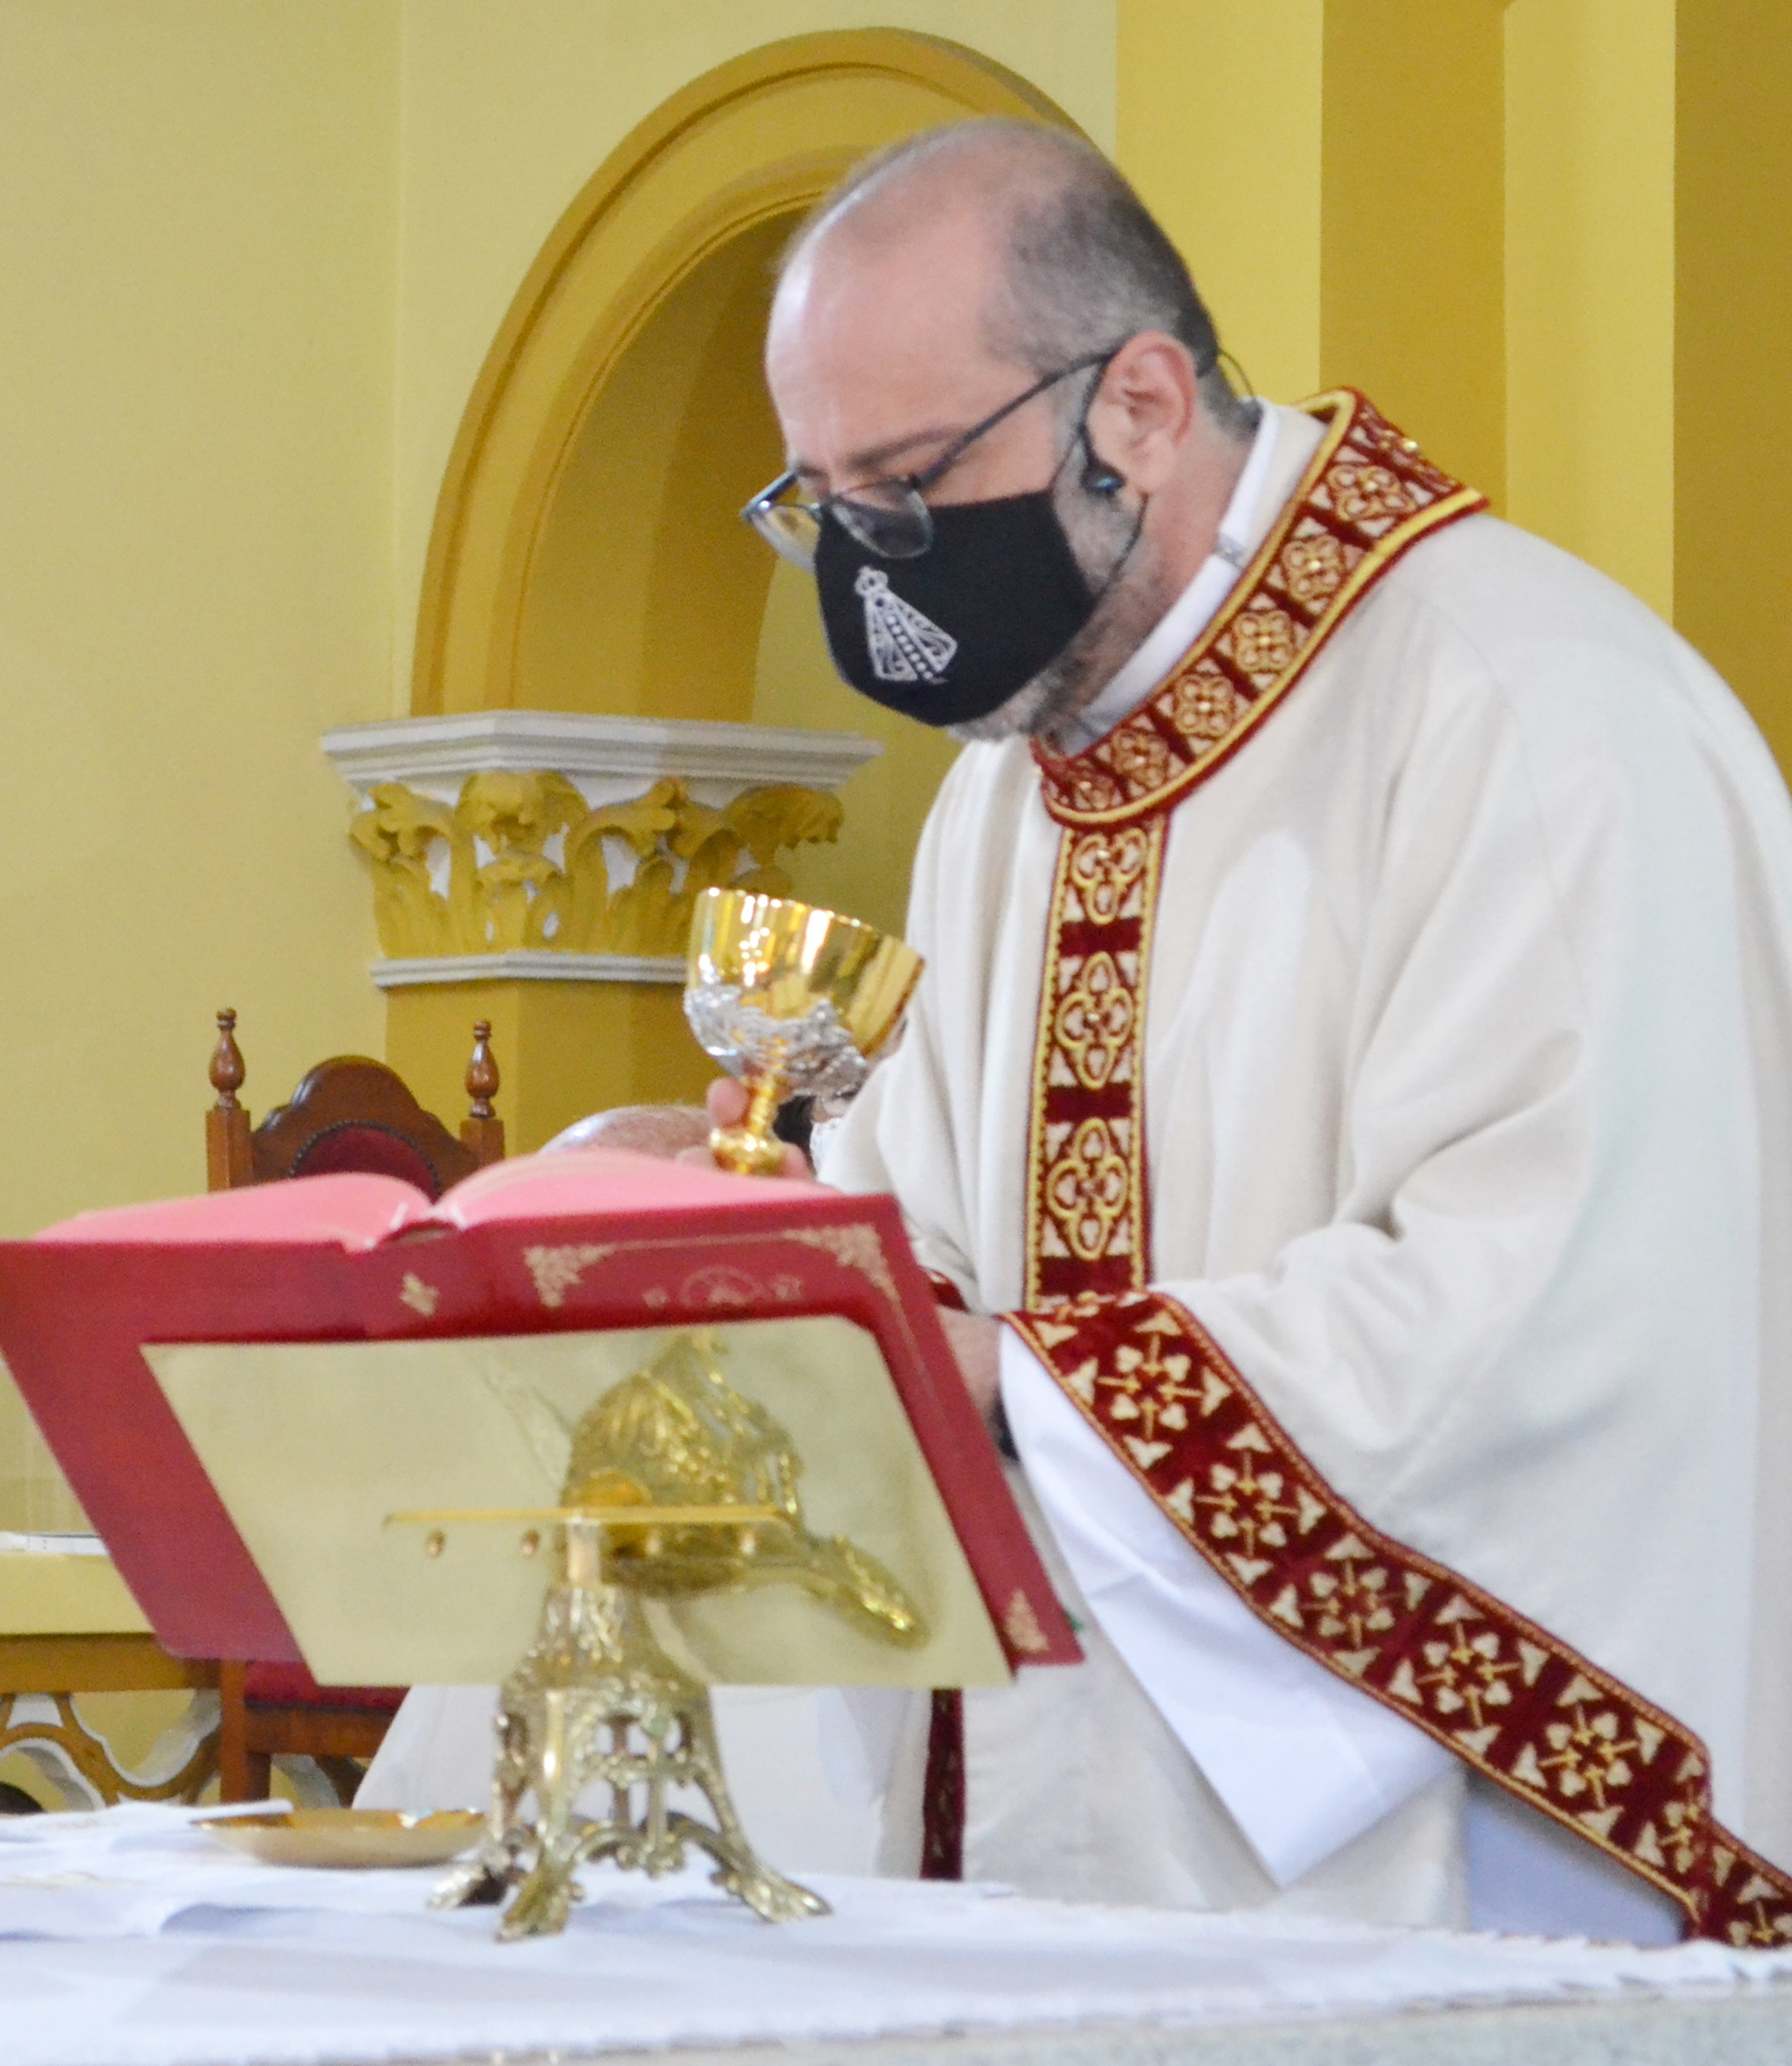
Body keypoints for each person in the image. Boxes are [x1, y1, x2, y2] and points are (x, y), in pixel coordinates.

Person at [369, 121, 1792, 1946]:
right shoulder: (1017, 775)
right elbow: (936, 1235)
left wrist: (1014, 1382)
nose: (869, 564)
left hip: (1435, 1859)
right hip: (1058, 1792)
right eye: (818, 504)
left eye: (904, 486)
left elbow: (1561, 1324)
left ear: (1136, 404)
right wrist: (761, 1222)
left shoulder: (1527, 713)